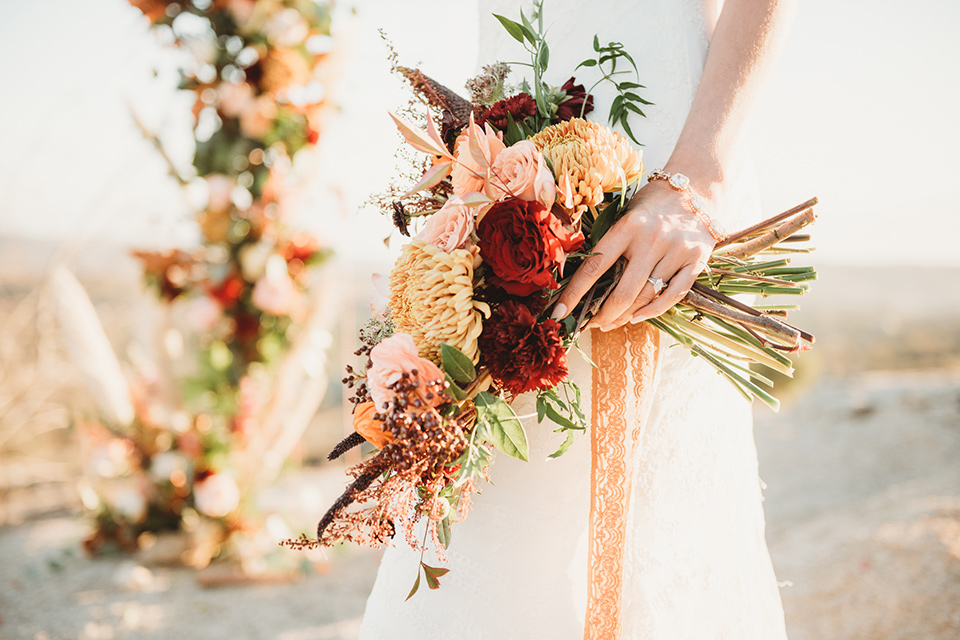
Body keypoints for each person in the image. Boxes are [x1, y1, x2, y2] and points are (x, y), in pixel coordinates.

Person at [359, 0, 798, 637]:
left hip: (652, 162)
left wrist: (701, 173)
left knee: (643, 518)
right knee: (479, 524)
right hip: (504, 154)